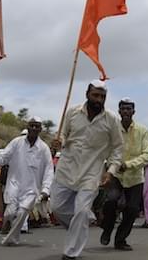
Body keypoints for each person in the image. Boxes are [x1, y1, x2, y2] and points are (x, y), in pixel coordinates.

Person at [50, 80, 124, 260]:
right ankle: (81, 224)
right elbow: (63, 135)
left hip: (91, 173)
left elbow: (118, 148)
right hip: (67, 169)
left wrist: (111, 171)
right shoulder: (73, 113)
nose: (99, 100)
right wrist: (59, 140)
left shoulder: (111, 120)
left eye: (102, 97)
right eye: (95, 95)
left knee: (81, 212)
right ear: (87, 94)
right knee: (57, 208)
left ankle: (71, 252)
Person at [0, 116, 54, 246]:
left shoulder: (44, 149)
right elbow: (3, 158)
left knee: (21, 213)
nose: (33, 128)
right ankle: (7, 223)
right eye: (31, 125)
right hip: (14, 184)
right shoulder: (16, 142)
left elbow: (49, 171)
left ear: (40, 129)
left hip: (31, 190)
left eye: (36, 126)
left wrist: (45, 190)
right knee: (10, 213)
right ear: (27, 126)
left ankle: (12, 239)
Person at [100, 98, 148, 251]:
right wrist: (112, 165)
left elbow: (147, 155)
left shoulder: (143, 131)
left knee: (133, 209)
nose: (126, 112)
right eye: (123, 109)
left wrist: (128, 165)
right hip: (115, 175)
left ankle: (120, 240)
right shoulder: (112, 129)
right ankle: (107, 228)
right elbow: (105, 150)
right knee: (111, 202)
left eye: (129, 109)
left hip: (135, 177)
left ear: (133, 112)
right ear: (119, 111)